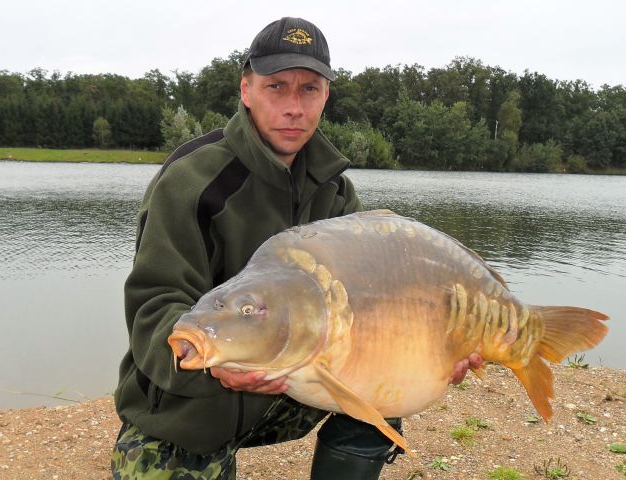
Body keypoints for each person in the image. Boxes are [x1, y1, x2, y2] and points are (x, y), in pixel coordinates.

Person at [111, 16, 482, 480]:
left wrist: (443, 343)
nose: (293, 106)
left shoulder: (336, 192)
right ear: (246, 90)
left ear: (326, 96)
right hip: (189, 399)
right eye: (276, 87)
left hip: (290, 384)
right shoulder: (190, 181)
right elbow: (154, 308)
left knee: (381, 391)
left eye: (309, 89)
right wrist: (213, 369)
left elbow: (375, 308)